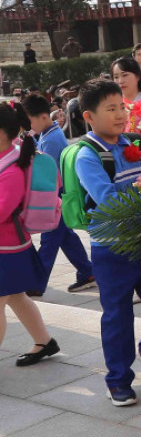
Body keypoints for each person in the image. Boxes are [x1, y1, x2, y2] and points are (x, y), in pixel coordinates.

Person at [75, 78, 141, 406]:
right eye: (111, 109)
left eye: (122, 107)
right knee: (117, 315)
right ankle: (118, 380)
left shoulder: (136, 144)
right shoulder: (86, 155)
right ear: (89, 116)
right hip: (111, 250)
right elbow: (106, 198)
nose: (120, 115)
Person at [0, 101, 60, 367]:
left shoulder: (12, 170)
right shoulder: (9, 159)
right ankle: (44, 341)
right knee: (16, 298)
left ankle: (44, 341)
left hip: (8, 250)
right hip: (10, 248)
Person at [22, 94, 95, 294]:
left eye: (30, 121)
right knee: (65, 238)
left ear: (44, 117)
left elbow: (49, 175)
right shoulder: (48, 134)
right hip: (59, 197)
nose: (29, 126)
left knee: (49, 241)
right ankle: (87, 271)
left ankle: (37, 284)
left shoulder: (52, 139)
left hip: (56, 198)